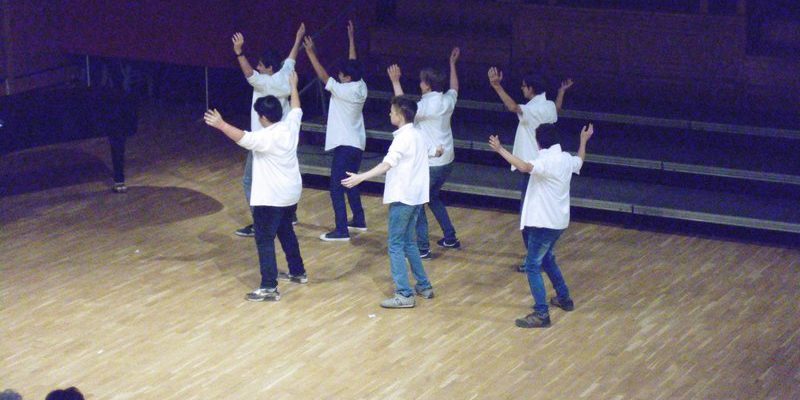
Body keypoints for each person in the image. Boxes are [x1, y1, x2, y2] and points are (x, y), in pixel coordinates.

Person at [204, 71, 307, 302]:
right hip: (290, 194)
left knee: (264, 239)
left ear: (263, 117)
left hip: (270, 197)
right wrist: (293, 86)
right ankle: (297, 272)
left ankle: (269, 287)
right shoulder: (290, 126)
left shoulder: (265, 138)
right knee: (286, 231)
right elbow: (296, 108)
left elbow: (242, 137)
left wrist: (220, 124)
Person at [488, 123, 594, 328]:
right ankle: (564, 298)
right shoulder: (565, 159)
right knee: (547, 259)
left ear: (539, 142)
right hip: (558, 222)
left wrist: (500, 149)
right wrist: (583, 140)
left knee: (532, 265)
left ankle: (541, 313)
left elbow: (524, 167)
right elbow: (580, 161)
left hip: (543, 223)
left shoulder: (546, 161)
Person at [342, 96, 441, 308]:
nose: (389, 114)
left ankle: (404, 294)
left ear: (400, 115)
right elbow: (435, 151)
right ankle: (423, 285)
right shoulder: (419, 134)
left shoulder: (402, 139)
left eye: (392, 111)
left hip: (403, 197)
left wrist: (360, 177)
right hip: (417, 198)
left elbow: (386, 165)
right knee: (409, 242)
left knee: (395, 245)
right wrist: (439, 150)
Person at [487, 67, 573, 271]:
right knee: (540, 212)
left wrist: (497, 86)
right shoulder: (549, 106)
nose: (522, 88)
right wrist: (561, 92)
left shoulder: (532, 109)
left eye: (524, 86)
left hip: (533, 167)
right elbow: (557, 109)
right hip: (547, 167)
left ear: (531, 88)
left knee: (528, 215)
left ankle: (534, 258)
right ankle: (541, 256)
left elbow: (513, 107)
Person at [231, 23, 305, 237]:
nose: (258, 67)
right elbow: (291, 58)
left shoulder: (266, 83)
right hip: (284, 138)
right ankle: (289, 215)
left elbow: (248, 73)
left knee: (250, 181)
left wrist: (239, 52)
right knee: (282, 178)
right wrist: (298, 38)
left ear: (270, 68)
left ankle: (260, 224)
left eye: (261, 66)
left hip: (264, 140)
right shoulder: (285, 74)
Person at [387, 47, 461, 259]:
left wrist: (395, 81)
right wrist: (452, 64)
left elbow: (403, 110)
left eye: (421, 81)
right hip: (447, 160)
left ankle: (422, 248)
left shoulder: (428, 105)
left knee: (418, 205)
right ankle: (450, 237)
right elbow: (454, 88)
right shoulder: (447, 100)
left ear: (427, 84)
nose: (419, 84)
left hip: (431, 163)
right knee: (433, 197)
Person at [304, 21, 368, 242]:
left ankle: (341, 229)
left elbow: (324, 77)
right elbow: (353, 64)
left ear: (347, 78)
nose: (339, 76)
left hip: (345, 145)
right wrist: (351, 39)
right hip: (357, 144)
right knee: (349, 182)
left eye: (341, 75)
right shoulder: (361, 85)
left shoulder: (344, 91)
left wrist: (310, 53)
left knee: (336, 187)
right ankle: (359, 219)